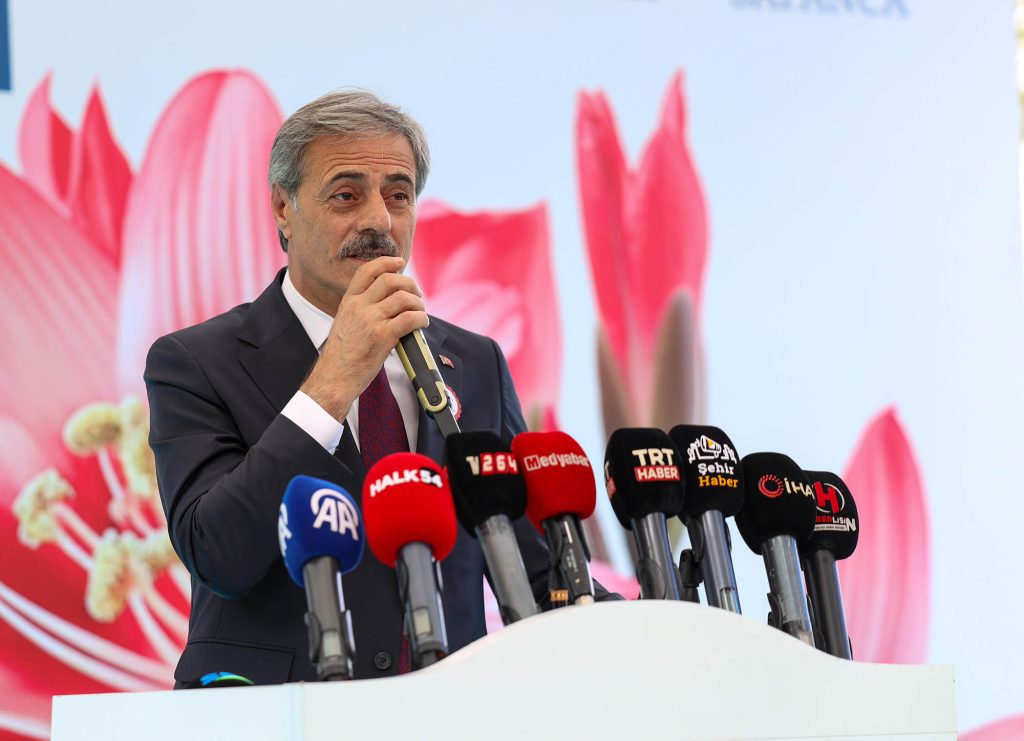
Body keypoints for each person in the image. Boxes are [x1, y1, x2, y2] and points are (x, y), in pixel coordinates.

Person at [144, 89, 617, 686]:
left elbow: (535, 570)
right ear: (283, 208)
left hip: (447, 708)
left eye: (399, 195)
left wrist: (655, 630)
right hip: (279, 712)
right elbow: (219, 554)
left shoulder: (474, 363)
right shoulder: (196, 361)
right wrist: (334, 380)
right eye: (347, 195)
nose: (378, 221)